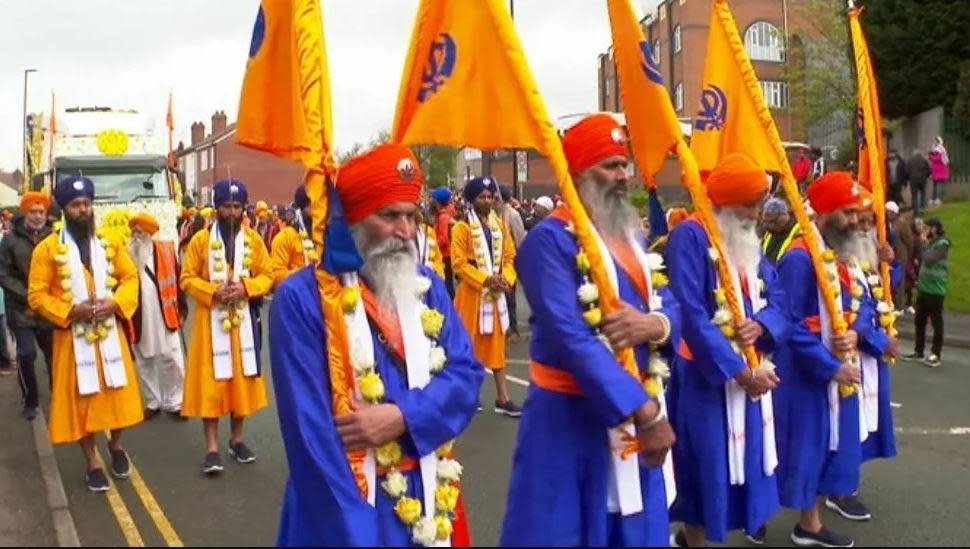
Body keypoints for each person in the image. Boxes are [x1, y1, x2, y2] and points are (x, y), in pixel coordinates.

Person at [269, 143, 483, 546]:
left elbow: (466, 377)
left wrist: (402, 416)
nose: (405, 231)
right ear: (351, 219)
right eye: (388, 216)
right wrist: (357, 533)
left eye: (411, 215)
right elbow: (311, 439)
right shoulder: (301, 299)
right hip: (345, 508)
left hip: (429, 494)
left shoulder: (428, 286)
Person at [501, 113, 678, 546]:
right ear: (578, 173)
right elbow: (573, 338)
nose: (623, 175)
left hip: (636, 406)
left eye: (624, 164)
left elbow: (670, 301)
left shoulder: (629, 237)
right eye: (610, 166)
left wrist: (654, 324)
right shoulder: (550, 240)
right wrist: (645, 411)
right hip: (568, 420)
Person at [667, 153, 791, 546]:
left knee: (739, 466)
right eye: (748, 205)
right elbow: (690, 312)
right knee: (705, 466)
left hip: (749, 371)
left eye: (758, 204)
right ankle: (694, 540)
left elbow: (778, 295)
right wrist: (737, 371)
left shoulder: (747, 238)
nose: (756, 215)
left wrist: (764, 323)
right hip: (705, 377)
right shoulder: (690, 234)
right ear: (722, 202)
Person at [774, 171, 888, 548]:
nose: (855, 220)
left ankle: (810, 521)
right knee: (806, 448)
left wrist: (858, 332)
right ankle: (804, 524)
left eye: (857, 212)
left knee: (828, 446)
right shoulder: (798, 257)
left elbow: (861, 301)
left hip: (837, 368)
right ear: (822, 213)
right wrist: (829, 365)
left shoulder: (841, 254)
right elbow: (790, 325)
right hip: (808, 374)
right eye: (847, 212)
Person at [27, 176, 143, 492]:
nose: (83, 210)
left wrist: (116, 301)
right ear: (64, 209)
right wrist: (69, 311)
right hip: (71, 337)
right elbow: (36, 295)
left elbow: (130, 276)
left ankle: (117, 447)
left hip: (109, 332)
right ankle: (92, 461)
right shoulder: (47, 249)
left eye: (87, 204)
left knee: (118, 395)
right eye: (76, 205)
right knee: (82, 402)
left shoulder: (109, 241)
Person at [180, 179, 273, 474]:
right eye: (226, 207)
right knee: (212, 384)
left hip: (244, 322)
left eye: (237, 207)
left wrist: (247, 287)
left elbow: (267, 275)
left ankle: (237, 440)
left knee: (240, 383)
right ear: (217, 208)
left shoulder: (254, 240)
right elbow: (186, 278)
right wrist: (212, 291)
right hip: (211, 324)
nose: (232, 213)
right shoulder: (200, 241)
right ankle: (211, 448)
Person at [452, 176, 520, 417]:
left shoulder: (500, 226)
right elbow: (459, 265)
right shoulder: (461, 228)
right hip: (472, 295)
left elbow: (510, 258)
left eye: (490, 196)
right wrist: (485, 279)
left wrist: (506, 279)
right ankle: (471, 396)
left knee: (498, 346)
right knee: (470, 345)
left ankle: (503, 397)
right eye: (482, 196)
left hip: (497, 293)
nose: (487, 200)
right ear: (472, 200)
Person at [0, 192, 55, 418]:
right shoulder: (10, 240)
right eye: (33, 211)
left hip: (47, 308)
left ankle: (58, 394)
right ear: (25, 212)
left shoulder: (53, 236)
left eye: (41, 211)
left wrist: (45, 300)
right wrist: (30, 298)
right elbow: (3, 274)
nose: (37, 215)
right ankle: (30, 400)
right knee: (27, 354)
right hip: (21, 308)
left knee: (54, 354)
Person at [128, 213, 186, 420]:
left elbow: (178, 280)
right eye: (133, 231)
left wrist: (183, 307)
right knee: (145, 359)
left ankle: (174, 402)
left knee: (173, 358)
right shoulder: (126, 253)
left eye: (139, 231)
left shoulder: (166, 250)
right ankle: (153, 402)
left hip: (166, 312)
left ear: (150, 233)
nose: (135, 235)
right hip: (139, 315)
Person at [904, 217, 950, 368]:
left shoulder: (943, 244)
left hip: (936, 290)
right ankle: (919, 351)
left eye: (926, 228)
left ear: (935, 229)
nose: (923, 231)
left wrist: (923, 243)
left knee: (937, 323)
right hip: (924, 289)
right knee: (919, 321)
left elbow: (929, 258)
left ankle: (936, 354)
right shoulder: (931, 243)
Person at [497, 185, 526, 342]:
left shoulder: (512, 215)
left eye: (495, 198)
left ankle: (512, 326)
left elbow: (520, 238)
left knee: (509, 293)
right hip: (496, 261)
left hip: (510, 259)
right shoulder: (495, 214)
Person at [270, 186, 316, 286]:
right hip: (297, 297)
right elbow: (276, 276)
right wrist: (306, 275)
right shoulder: (285, 237)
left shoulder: (329, 235)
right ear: (302, 208)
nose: (319, 209)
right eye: (312, 205)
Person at [431, 187, 457, 297]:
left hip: (445, 255)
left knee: (447, 284)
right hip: (448, 254)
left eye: (432, 199)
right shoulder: (447, 214)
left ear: (437, 202)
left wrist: (432, 245)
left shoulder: (442, 217)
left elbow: (443, 238)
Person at [760, 197, 800, 266]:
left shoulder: (799, 231)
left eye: (773, 221)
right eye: (766, 222)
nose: (769, 226)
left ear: (784, 215)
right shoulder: (770, 233)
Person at [906, 149, 931, 217]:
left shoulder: (910, 161)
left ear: (913, 154)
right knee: (923, 193)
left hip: (913, 180)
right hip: (922, 180)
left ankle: (916, 212)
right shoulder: (924, 160)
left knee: (914, 196)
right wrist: (926, 176)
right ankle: (922, 208)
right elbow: (929, 170)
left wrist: (909, 178)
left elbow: (907, 170)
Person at [928, 137, 950, 207]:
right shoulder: (936, 149)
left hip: (939, 170)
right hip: (936, 170)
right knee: (935, 185)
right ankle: (934, 198)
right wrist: (931, 155)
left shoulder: (940, 149)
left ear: (939, 141)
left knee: (937, 185)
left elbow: (937, 158)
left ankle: (937, 198)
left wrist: (930, 156)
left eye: (936, 141)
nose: (934, 142)